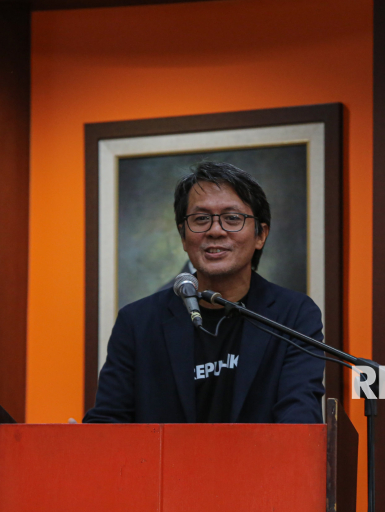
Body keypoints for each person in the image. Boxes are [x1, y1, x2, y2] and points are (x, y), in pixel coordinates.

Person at [83, 162, 325, 424]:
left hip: (263, 453)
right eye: (201, 219)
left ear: (260, 235)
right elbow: (110, 420)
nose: (215, 230)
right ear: (183, 236)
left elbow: (300, 418)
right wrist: (85, 439)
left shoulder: (293, 315)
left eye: (232, 218)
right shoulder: (137, 322)